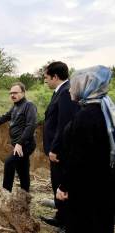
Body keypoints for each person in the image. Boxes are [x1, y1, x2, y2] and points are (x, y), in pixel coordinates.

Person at [56, 66, 115, 233]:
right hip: (104, 185)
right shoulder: (105, 110)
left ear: (86, 86)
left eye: (74, 85)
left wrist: (64, 185)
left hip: (86, 189)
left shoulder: (86, 116)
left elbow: (79, 158)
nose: (70, 90)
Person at [0, 82, 37, 192]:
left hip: (26, 144)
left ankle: (6, 192)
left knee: (9, 163)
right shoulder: (15, 107)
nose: (12, 95)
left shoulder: (29, 106)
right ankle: (25, 194)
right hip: (19, 144)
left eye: (15, 93)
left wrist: (20, 143)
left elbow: (31, 126)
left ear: (23, 93)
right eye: (11, 93)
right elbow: (3, 118)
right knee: (22, 169)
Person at [41, 61, 80, 231]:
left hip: (60, 152)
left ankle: (67, 223)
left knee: (63, 185)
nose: (45, 81)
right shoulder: (61, 91)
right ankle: (60, 217)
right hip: (56, 150)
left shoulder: (65, 92)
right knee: (57, 182)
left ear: (55, 77)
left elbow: (64, 125)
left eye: (46, 78)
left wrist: (55, 149)